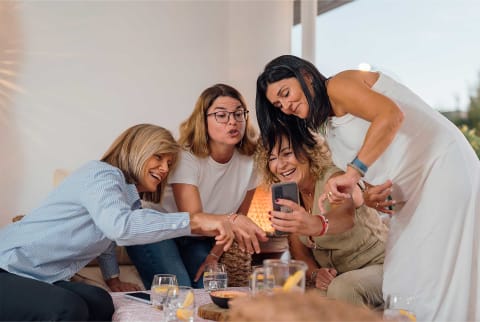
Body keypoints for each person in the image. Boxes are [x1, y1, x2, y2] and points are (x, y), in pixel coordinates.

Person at [255, 55, 480, 321]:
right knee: (404, 279)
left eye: (286, 93)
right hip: (413, 189)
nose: (286, 106)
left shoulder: (338, 85)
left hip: (442, 169)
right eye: (278, 104)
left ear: (305, 76)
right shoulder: (329, 127)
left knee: (437, 278)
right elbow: (375, 163)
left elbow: (391, 115)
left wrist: (352, 173)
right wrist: (370, 194)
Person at [0, 124, 237, 321]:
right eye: (158, 157)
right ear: (138, 150)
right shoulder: (101, 174)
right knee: (67, 309)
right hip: (7, 268)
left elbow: (105, 238)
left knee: (101, 302)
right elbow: (119, 228)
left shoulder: (127, 199)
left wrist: (112, 278)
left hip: (40, 277)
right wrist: (194, 221)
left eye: (169, 163)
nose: (165, 169)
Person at [126, 84, 267, 289]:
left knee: (212, 290)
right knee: (179, 290)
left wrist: (213, 256)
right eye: (221, 115)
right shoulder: (187, 156)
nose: (232, 121)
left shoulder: (252, 160)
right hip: (159, 229)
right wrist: (234, 220)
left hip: (199, 239)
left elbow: (236, 218)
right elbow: (192, 217)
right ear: (203, 119)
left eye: (239, 114)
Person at [255, 122, 387, 308]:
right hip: (338, 276)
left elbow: (345, 217)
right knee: (290, 301)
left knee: (342, 289)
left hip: (378, 265)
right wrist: (316, 273)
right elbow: (299, 253)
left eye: (287, 153)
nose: (280, 164)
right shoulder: (290, 196)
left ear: (308, 151)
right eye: (272, 158)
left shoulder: (333, 178)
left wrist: (317, 223)